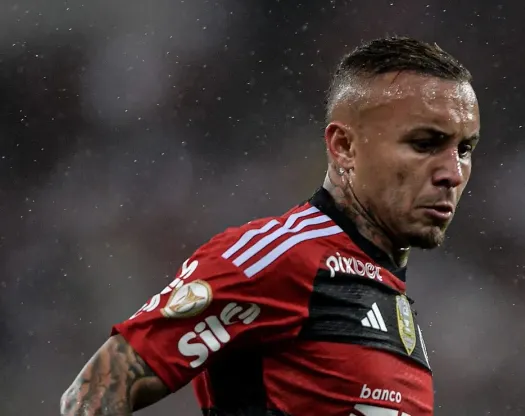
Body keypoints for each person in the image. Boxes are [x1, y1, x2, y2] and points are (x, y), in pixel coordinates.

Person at [60, 36, 480, 416]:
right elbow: (96, 392)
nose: (452, 173)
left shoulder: (385, 292)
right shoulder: (280, 258)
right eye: (425, 144)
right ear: (344, 146)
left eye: (464, 149)